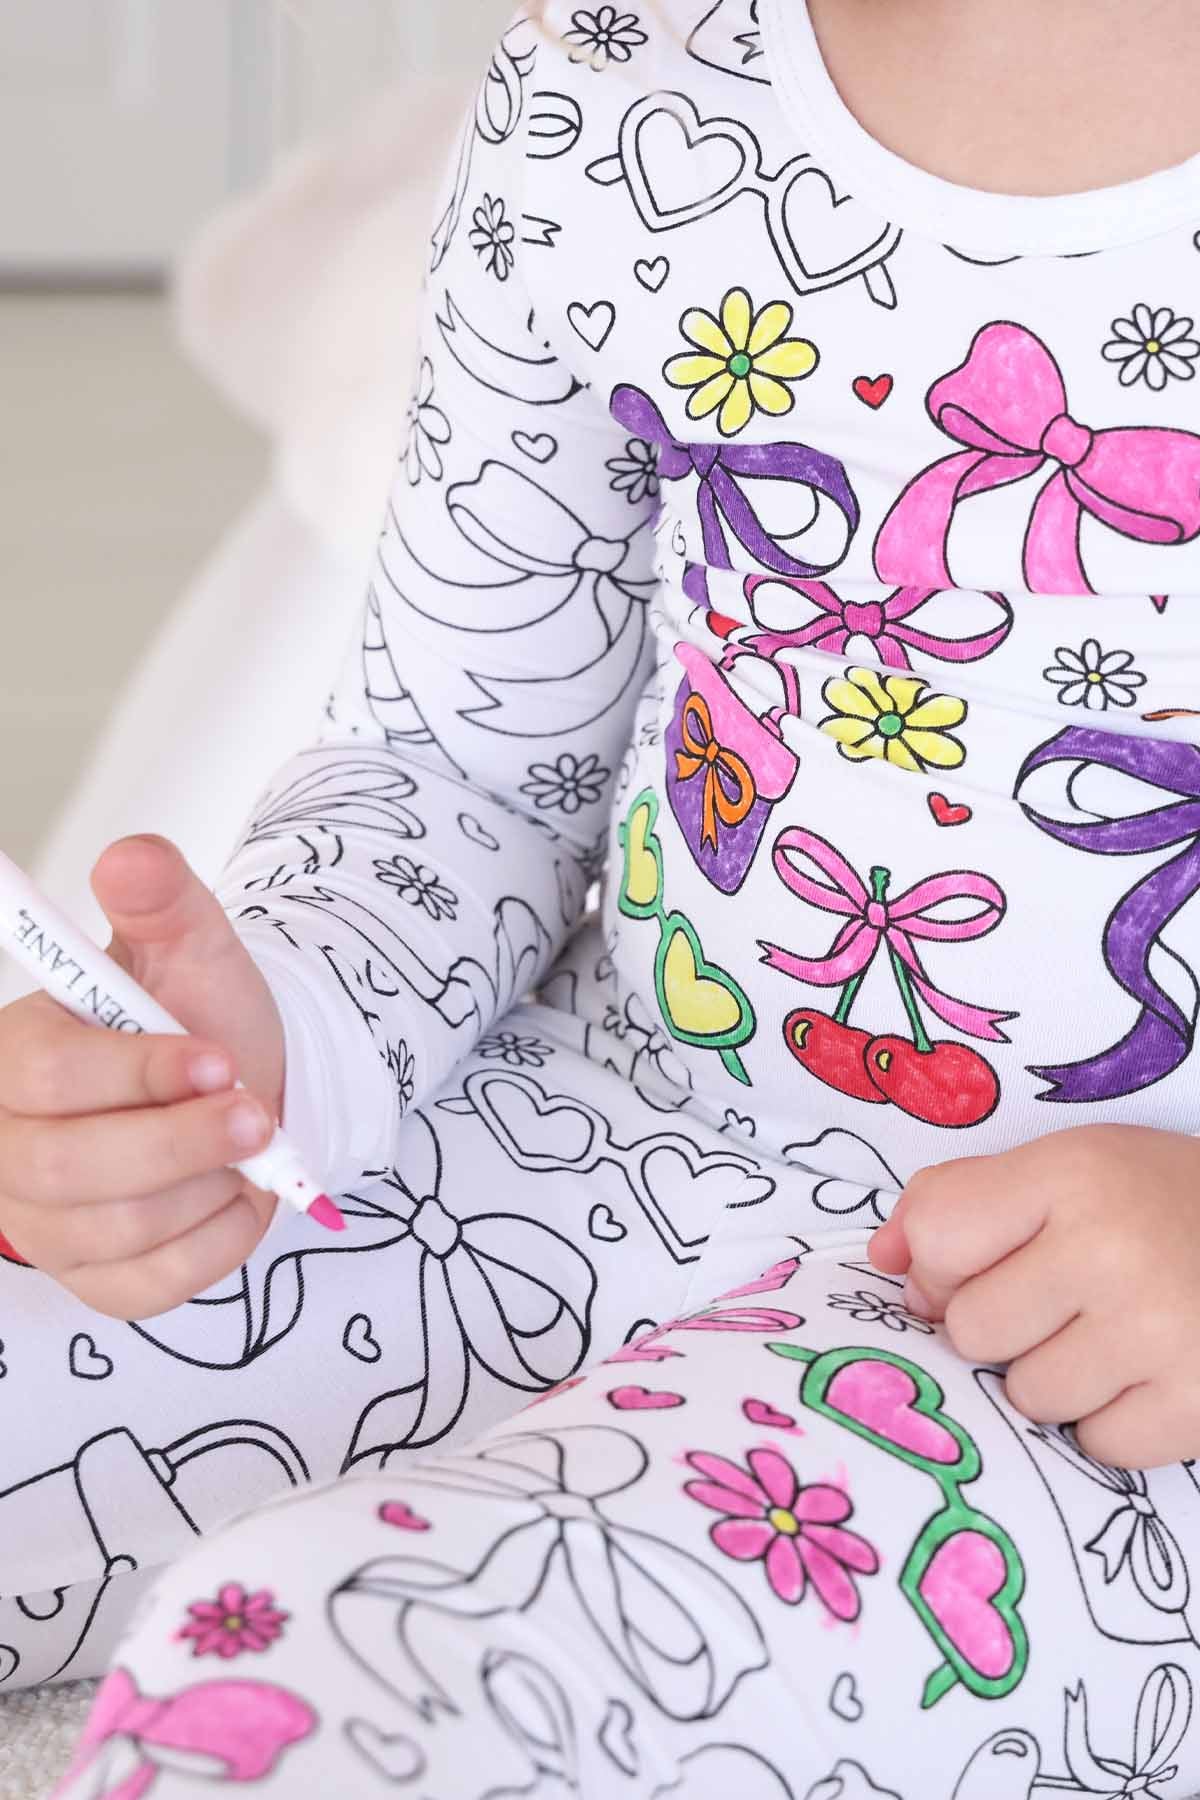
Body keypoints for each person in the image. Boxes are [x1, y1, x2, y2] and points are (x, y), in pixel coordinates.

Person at [4, 0, 1200, 1789]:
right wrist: (272, 1043)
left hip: (1106, 1372)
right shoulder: (615, 88)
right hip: (601, 1139)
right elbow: (464, 766)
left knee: (350, 1664)